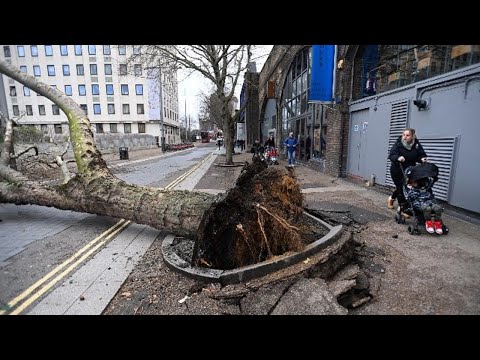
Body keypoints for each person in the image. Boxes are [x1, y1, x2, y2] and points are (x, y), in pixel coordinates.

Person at [387, 128, 428, 214]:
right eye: (403, 135)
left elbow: (420, 155)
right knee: (401, 187)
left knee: (405, 187)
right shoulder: (399, 143)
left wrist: (422, 159)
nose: (405, 137)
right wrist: (398, 158)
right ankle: (403, 209)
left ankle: (391, 198)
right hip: (397, 170)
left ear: (413, 136)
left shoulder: (416, 144)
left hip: (410, 170)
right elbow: (391, 155)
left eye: (407, 135)